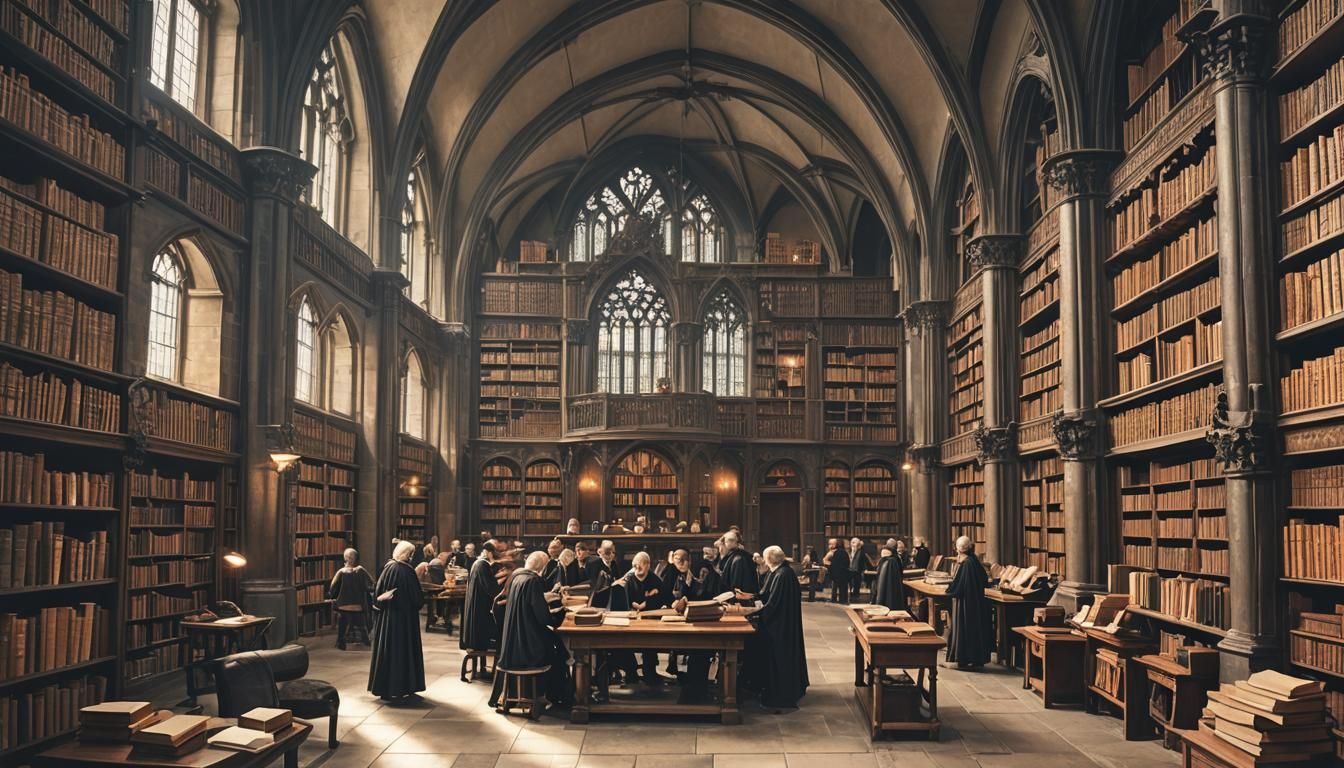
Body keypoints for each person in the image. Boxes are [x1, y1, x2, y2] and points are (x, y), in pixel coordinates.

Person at [489, 551, 572, 709]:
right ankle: (557, 697)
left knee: (557, 646)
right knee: (559, 652)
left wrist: (543, 598)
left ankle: (549, 694)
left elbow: (526, 603)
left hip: (512, 642)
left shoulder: (516, 576)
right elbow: (542, 617)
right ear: (543, 566)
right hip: (527, 648)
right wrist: (559, 613)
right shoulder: (532, 580)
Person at [743, 546, 808, 710]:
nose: (763, 561)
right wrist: (751, 597)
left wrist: (753, 611)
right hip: (779, 623)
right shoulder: (779, 572)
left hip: (780, 627)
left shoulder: (783, 575)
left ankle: (773, 691)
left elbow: (773, 604)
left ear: (770, 559)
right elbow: (767, 595)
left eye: (765, 558)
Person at [368, 540, 425, 701]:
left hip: (387, 620)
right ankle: (402, 687)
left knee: (388, 651)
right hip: (404, 621)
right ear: (408, 554)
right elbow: (417, 599)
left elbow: (378, 593)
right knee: (402, 653)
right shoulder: (407, 571)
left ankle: (385, 688)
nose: (413, 557)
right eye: (412, 554)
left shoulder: (388, 568)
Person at [618, 551, 666, 684]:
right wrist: (632, 604)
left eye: (641, 565)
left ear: (648, 565)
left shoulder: (655, 580)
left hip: (650, 620)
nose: (637, 568)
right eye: (634, 565)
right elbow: (621, 597)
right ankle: (631, 672)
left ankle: (649, 672)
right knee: (622, 641)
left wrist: (647, 603)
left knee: (649, 641)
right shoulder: (628, 578)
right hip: (630, 618)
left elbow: (662, 598)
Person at [945, 536, 992, 669]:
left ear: (959, 550)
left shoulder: (966, 564)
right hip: (977, 602)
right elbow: (984, 579)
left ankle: (963, 659)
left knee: (965, 629)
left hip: (966, 604)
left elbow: (958, 587)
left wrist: (949, 589)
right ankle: (976, 659)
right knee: (975, 630)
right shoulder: (974, 561)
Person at [460, 540, 501, 671]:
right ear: (489, 553)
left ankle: (483, 667)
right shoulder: (483, 565)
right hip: (480, 610)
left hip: (477, 606)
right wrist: (502, 593)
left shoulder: (476, 564)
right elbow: (490, 587)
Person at [329, 548, 374, 650]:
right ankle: (366, 641)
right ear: (356, 558)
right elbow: (372, 583)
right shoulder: (361, 570)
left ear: (345, 558)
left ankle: (341, 642)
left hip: (343, 605)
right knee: (362, 623)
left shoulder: (341, 571)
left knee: (343, 622)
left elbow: (332, 587)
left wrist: (333, 597)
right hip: (358, 606)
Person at [718, 531, 756, 600]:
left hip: (740, 598)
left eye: (724, 542)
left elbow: (736, 585)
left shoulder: (738, 559)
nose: (722, 545)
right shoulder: (736, 555)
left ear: (732, 542)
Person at [872, 547, 906, 613]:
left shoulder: (886, 563)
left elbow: (881, 586)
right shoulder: (895, 561)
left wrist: (878, 602)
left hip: (884, 605)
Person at [825, 538, 850, 603]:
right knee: (843, 588)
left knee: (835, 587)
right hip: (844, 573)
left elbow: (831, 563)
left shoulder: (834, 552)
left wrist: (830, 567)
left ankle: (834, 599)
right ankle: (843, 599)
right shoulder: (845, 552)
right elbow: (847, 563)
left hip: (836, 573)